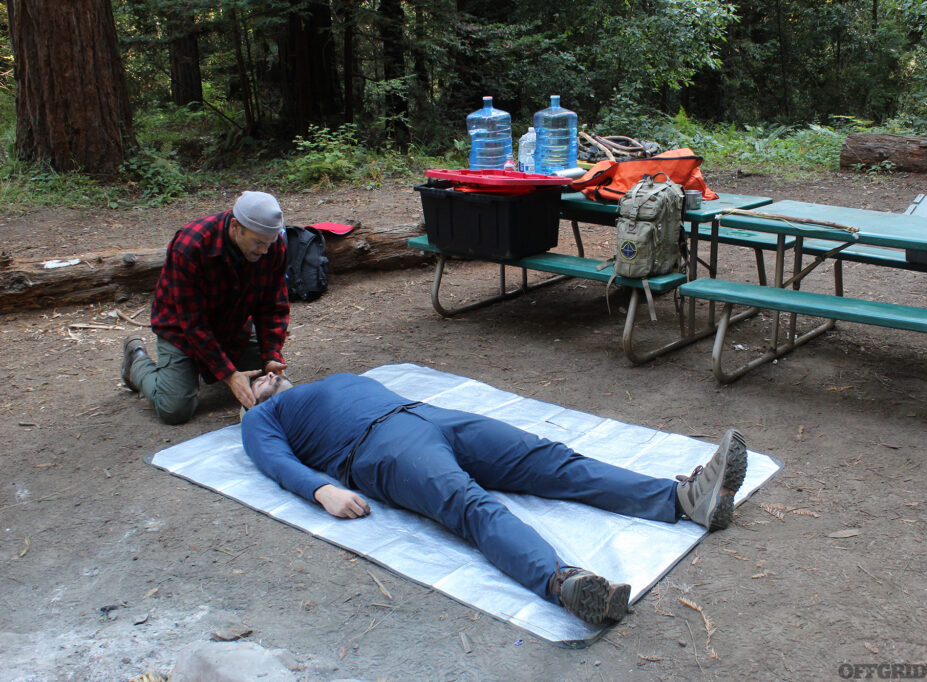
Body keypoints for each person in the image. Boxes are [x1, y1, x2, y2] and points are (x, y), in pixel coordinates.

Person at [240, 372, 748, 625]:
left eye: (269, 368)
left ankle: (683, 499)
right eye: (258, 376)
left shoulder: (330, 380)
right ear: (251, 393)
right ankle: (563, 582)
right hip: (379, 449)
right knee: (471, 506)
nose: (269, 373)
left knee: (552, 460)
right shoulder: (262, 418)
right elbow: (275, 463)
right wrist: (322, 489)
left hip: (432, 416)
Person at [121, 191, 290, 425]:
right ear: (235, 226)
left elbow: (273, 306)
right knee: (175, 409)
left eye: (269, 243)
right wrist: (229, 375)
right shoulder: (192, 245)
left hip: (233, 326)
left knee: (279, 388)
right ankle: (136, 363)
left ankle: (219, 365)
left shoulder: (273, 246)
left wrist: (271, 355)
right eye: (258, 242)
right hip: (181, 330)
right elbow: (193, 324)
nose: (264, 251)